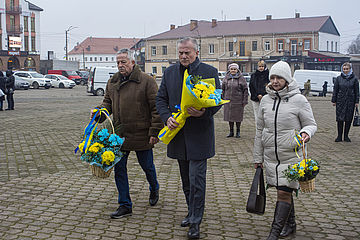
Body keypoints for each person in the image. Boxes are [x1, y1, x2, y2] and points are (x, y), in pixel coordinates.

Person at [156, 37, 221, 240]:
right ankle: (191, 212)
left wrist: (203, 113)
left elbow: (217, 101)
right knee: (186, 181)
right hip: (178, 135)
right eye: (181, 53)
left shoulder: (209, 72)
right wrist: (166, 118)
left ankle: (195, 223)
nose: (184, 56)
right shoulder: (169, 73)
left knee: (197, 181)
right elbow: (161, 99)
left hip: (200, 136)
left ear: (196, 53)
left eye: (188, 53)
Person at [91, 48, 163, 218]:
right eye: (118, 63)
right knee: (120, 170)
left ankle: (154, 187)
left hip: (141, 134)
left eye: (123, 62)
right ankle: (125, 204)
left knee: (147, 167)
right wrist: (99, 112)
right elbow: (107, 103)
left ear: (133, 62)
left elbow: (156, 108)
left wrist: (154, 132)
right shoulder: (112, 82)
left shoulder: (147, 81)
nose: (120, 65)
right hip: (119, 135)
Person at [253, 61, 317, 240]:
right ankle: (291, 225)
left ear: (287, 79)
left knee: (283, 191)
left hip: (291, 155)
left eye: (279, 77)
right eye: (272, 77)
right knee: (283, 190)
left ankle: (274, 233)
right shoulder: (265, 100)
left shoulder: (299, 100)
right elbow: (259, 130)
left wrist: (306, 133)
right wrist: (258, 157)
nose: (275, 81)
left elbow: (311, 124)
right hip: (271, 156)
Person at [332, 62, 359, 142]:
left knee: (348, 119)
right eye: (344, 69)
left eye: (347, 69)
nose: (345, 70)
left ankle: (346, 136)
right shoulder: (338, 79)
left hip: (350, 101)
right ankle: (339, 136)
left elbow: (357, 91)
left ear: (350, 69)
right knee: (340, 119)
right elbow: (335, 90)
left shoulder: (354, 79)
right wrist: (334, 100)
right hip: (340, 101)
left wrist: (356, 101)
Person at [222, 63, 248, 138]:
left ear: (237, 70)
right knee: (229, 117)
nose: (233, 70)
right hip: (228, 101)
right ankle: (231, 132)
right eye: (231, 69)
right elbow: (223, 89)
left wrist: (245, 101)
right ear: (229, 70)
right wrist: (222, 98)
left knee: (238, 117)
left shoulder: (241, 78)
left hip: (238, 101)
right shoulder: (226, 78)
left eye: (235, 69)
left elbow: (245, 90)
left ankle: (238, 131)